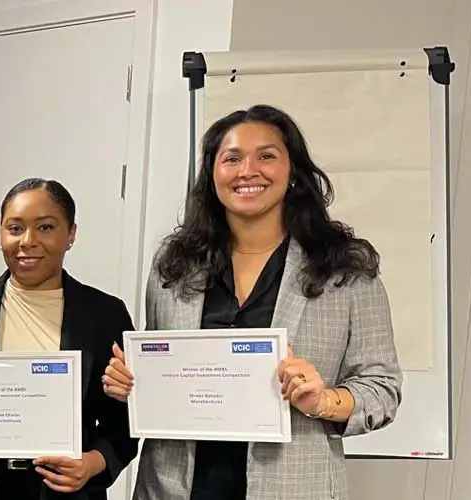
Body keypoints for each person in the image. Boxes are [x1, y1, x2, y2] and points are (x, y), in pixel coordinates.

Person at [102, 104, 402, 500]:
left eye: (266, 156)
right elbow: (163, 373)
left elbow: (382, 388)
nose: (248, 171)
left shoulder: (345, 269)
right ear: (213, 174)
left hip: (294, 487)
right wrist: (132, 383)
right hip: (173, 487)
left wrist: (323, 401)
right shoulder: (174, 267)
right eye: (232, 158)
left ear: (292, 171)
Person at [0, 178, 139, 500]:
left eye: (45, 228)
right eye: (15, 228)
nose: (27, 241)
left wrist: (92, 463)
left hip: (64, 490)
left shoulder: (105, 314)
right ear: (0, 234)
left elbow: (124, 420)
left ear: (71, 234)